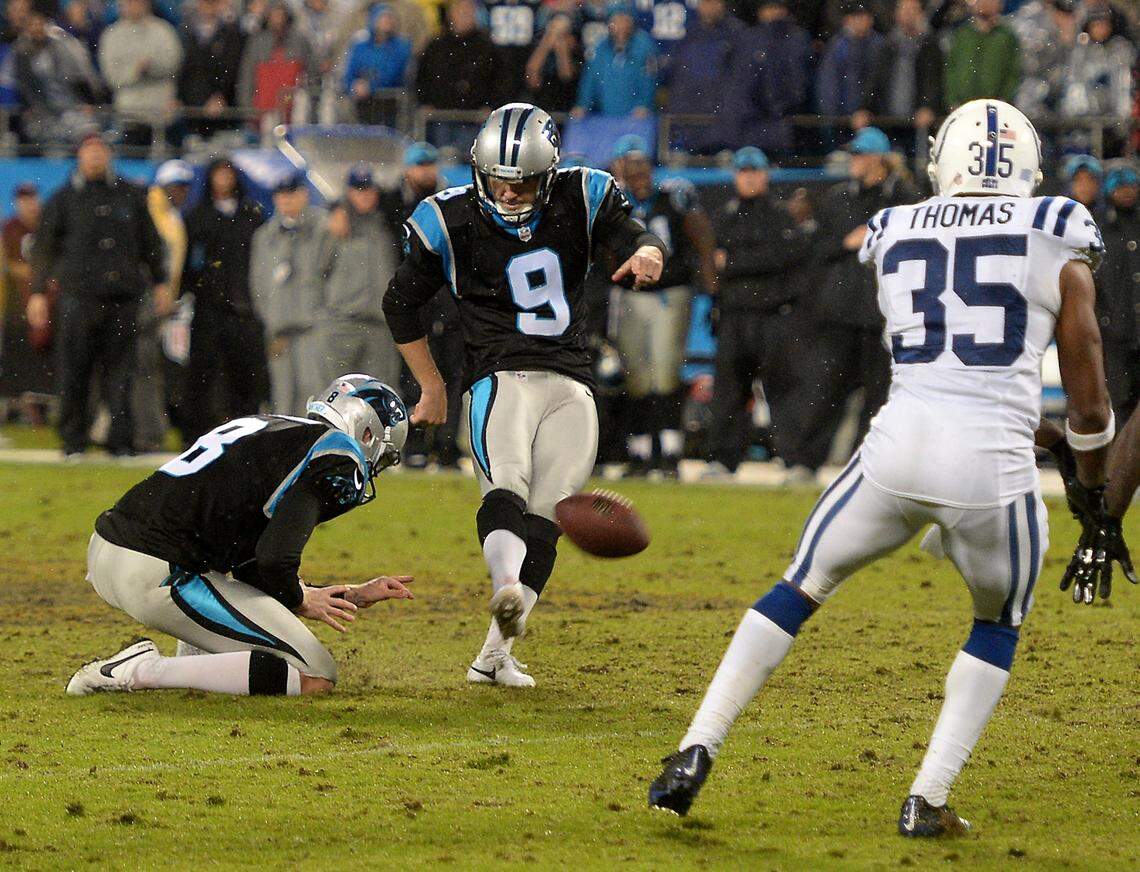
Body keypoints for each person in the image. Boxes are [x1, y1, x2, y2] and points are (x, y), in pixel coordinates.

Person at [649, 99, 1113, 837]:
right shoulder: (1055, 227)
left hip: (896, 451)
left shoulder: (897, 225)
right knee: (998, 620)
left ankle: (693, 748)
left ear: (945, 162)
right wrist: (1093, 490)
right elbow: (1086, 390)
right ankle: (925, 799)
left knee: (798, 586)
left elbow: (950, 345)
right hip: (991, 471)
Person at [383, 103, 666, 687]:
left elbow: (631, 232)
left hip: (570, 381)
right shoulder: (449, 218)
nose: (510, 193)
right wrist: (433, 385)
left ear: (550, 172)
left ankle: (492, 656)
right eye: (500, 180)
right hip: (499, 377)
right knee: (507, 485)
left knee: (551, 514)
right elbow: (400, 302)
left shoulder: (581, 194)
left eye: (524, 181)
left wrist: (647, 249)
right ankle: (504, 588)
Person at [66, 374, 415, 698]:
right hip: (157, 568)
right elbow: (275, 558)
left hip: (109, 551)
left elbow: (251, 561)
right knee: (315, 675)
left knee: (258, 635)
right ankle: (140, 670)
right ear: (368, 436)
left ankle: (195, 650)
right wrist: (298, 599)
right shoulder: (338, 453)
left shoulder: (273, 429)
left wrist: (342, 593)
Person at [27, 134, 170, 459]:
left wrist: (160, 282)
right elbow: (43, 249)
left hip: (123, 298)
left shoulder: (130, 195)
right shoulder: (63, 200)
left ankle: (120, 440)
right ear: (79, 156)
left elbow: (150, 242)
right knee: (74, 370)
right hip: (78, 298)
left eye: (99, 152)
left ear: (108, 155)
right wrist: (37, 293)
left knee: (122, 373)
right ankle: (73, 439)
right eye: (88, 152)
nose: (94, 158)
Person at [795, 127, 918, 472]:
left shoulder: (904, 199)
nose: (854, 161)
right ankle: (807, 461)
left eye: (860, 155)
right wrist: (847, 243)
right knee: (826, 390)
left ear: (879, 159)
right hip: (841, 311)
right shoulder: (838, 198)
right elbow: (816, 248)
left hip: (883, 314)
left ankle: (864, 465)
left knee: (879, 398)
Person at [609, 135, 716, 478]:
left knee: (666, 374)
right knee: (637, 378)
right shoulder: (613, 201)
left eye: (642, 163)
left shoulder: (674, 195)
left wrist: (711, 286)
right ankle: (640, 453)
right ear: (619, 168)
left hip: (670, 292)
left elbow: (702, 236)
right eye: (631, 163)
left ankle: (669, 452)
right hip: (629, 296)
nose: (638, 171)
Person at [704, 146, 813, 478]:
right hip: (735, 315)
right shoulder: (724, 215)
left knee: (782, 390)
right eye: (743, 171)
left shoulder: (780, 215)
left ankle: (794, 460)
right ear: (736, 176)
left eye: (754, 171)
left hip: (772, 315)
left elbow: (783, 258)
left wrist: (734, 263)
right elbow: (711, 263)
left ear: (765, 174)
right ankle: (723, 460)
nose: (749, 177)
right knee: (729, 392)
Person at [378, 141, 463, 469]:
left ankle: (445, 444)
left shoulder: (452, 202)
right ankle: (412, 440)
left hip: (446, 299)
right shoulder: (392, 202)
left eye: (430, 165)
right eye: (420, 165)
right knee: (414, 376)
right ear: (407, 169)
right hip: (413, 301)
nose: (426, 171)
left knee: (452, 377)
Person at [182, 157, 270, 443]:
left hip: (244, 307)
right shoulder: (197, 216)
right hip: (209, 306)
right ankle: (197, 433)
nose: (223, 180)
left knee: (245, 374)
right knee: (203, 373)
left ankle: (246, 432)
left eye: (228, 174)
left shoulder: (250, 216)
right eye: (219, 174)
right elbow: (187, 263)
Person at [250, 169, 328, 416]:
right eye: (281, 195)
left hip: (313, 329)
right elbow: (259, 286)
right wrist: (272, 322)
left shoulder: (323, 228)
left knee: (315, 395)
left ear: (304, 195)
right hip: (279, 332)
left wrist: (322, 317)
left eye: (292, 194)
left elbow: (330, 278)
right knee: (281, 397)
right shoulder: (264, 236)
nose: (286, 200)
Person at [320, 164, 402, 389]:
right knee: (336, 396)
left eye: (370, 190)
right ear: (348, 192)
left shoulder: (386, 225)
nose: (365, 196)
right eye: (359, 190)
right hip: (342, 324)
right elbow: (316, 274)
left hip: (379, 326)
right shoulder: (334, 227)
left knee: (379, 396)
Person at [136, 159, 193, 452]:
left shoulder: (170, 214)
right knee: (143, 366)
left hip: (159, 301)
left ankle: (146, 430)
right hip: (145, 299)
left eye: (184, 186)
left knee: (150, 366)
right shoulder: (152, 210)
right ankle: (144, 432)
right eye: (176, 186)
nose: (181, 192)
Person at [414, 0, 503, 148]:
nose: (464, 16)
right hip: (441, 116)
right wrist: (424, 102)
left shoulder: (487, 46)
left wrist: (491, 105)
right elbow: (421, 76)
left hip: (474, 118)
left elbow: (499, 79)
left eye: (468, 12)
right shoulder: (436, 45)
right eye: (460, 12)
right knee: (441, 158)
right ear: (451, 15)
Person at [662, 0, 744, 154]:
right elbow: (677, 78)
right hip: (690, 123)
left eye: (713, 2)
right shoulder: (689, 34)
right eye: (704, 2)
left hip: (723, 125)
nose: (708, 7)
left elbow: (741, 82)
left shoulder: (737, 33)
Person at [12, 9, 103, 145]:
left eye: (40, 24)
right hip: (41, 112)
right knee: (53, 146)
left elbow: (75, 78)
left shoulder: (60, 47)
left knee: (90, 133)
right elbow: (25, 87)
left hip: (70, 106)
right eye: (33, 25)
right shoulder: (21, 53)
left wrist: (85, 102)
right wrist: (35, 109)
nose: (37, 28)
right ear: (26, 28)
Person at [98, 0, 184, 145]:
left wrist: (151, 67)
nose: (134, 5)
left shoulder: (163, 30)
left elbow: (175, 64)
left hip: (162, 111)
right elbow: (111, 77)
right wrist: (135, 70)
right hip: (129, 114)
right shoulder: (111, 35)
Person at [856, 0, 942, 133]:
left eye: (913, 10)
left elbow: (933, 81)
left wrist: (928, 107)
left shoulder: (930, 46)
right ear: (896, 14)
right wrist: (864, 108)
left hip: (918, 123)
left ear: (921, 15)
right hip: (886, 121)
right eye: (904, 10)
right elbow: (874, 79)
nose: (908, 14)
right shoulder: (886, 46)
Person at [1095, 164, 1140, 422]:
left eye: (1130, 186)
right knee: (1119, 406)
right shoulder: (1098, 228)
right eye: (1120, 186)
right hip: (1116, 337)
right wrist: (1105, 320)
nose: (1126, 192)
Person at [0, 183, 49, 404]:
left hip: (47, 298)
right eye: (24, 199)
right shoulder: (10, 228)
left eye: (32, 198)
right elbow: (8, 265)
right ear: (17, 203)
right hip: (17, 302)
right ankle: (17, 399)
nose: (29, 204)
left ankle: (41, 399)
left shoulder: (48, 226)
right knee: (18, 348)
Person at [571, 2, 657, 119]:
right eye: (615, 21)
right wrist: (582, 104)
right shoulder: (600, 47)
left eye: (624, 20)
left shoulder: (644, 46)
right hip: (605, 116)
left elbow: (649, 79)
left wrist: (643, 104)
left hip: (636, 117)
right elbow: (590, 79)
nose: (620, 26)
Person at [177, 0, 246, 139]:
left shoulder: (231, 34)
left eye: (212, 3)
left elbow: (232, 68)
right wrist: (179, 97)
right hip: (194, 105)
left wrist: (221, 95)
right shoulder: (188, 32)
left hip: (221, 107)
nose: (207, 8)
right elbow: (184, 68)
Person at [343, 3, 411, 126]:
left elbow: (394, 72)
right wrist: (353, 85)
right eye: (383, 18)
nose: (386, 22)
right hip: (362, 105)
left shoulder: (401, 46)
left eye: (389, 18)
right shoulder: (360, 45)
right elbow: (350, 71)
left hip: (389, 105)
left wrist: (371, 86)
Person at [944, 0, 1020, 109]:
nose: (986, 3)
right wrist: (952, 100)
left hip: (996, 107)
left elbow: (1013, 72)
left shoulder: (1007, 37)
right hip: (962, 107)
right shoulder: (961, 35)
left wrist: (1004, 100)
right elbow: (951, 69)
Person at [816, 3, 883, 119]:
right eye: (858, 16)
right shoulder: (838, 45)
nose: (862, 21)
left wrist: (867, 109)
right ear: (848, 19)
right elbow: (829, 81)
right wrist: (831, 113)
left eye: (865, 17)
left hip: (874, 115)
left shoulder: (880, 45)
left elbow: (880, 80)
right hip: (842, 115)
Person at [524, 11, 582, 113]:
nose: (556, 38)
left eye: (562, 34)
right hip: (540, 105)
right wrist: (546, 45)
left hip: (565, 106)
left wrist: (562, 51)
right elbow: (532, 79)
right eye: (553, 33)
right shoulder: (538, 48)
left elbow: (567, 77)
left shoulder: (576, 51)